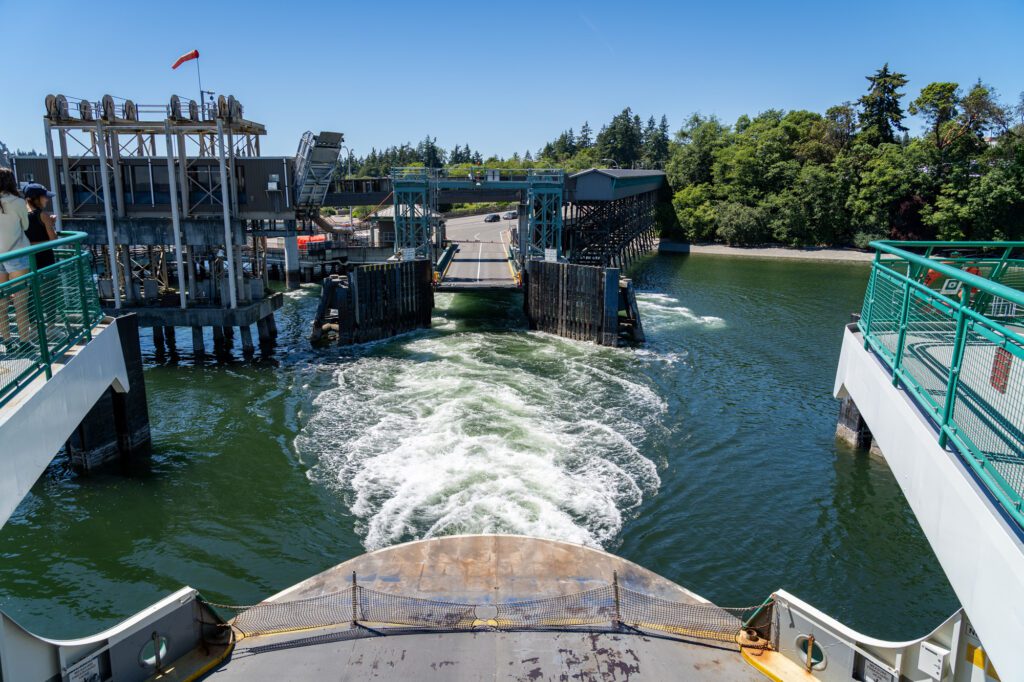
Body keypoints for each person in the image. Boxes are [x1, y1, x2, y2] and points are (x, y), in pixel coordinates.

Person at [0, 167, 34, 349]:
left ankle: (7, 341)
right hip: (17, 253)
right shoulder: (18, 202)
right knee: (20, 303)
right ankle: (24, 341)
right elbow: (25, 226)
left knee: (1, 305)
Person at [23, 183, 58, 269]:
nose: (47, 200)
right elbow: (54, 241)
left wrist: (31, 244)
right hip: (45, 261)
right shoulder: (43, 215)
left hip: (28, 262)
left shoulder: (21, 214)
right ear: (35, 198)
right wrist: (51, 225)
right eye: (44, 197)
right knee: (51, 282)